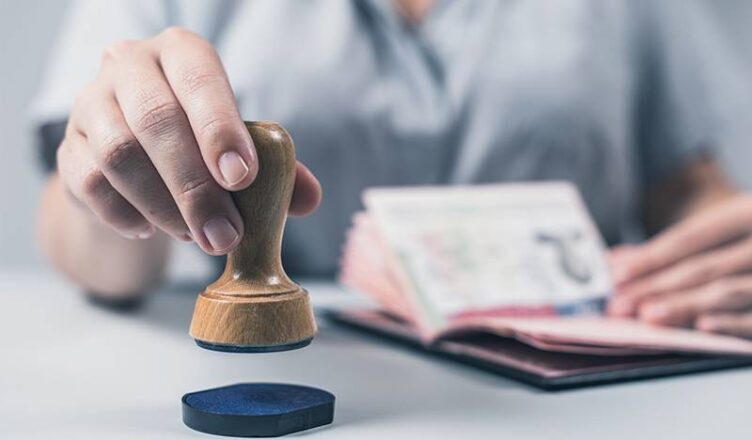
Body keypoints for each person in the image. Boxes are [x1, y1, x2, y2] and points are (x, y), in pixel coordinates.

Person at [34, 0, 752, 337]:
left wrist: (721, 259)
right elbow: (95, 246)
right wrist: (105, 190)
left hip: (586, 378)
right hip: (306, 368)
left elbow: (687, 187)